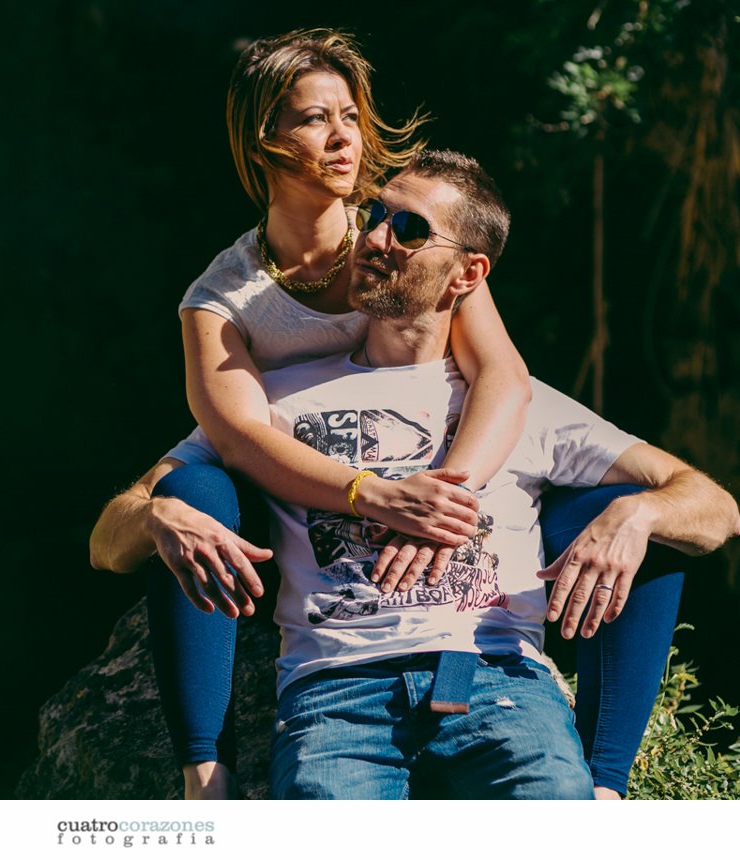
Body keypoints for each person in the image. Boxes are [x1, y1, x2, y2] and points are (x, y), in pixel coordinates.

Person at [94, 28, 680, 800]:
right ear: (262, 139)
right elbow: (238, 438)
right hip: (299, 499)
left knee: (623, 509)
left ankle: (606, 787)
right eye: (311, 119)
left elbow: (504, 375)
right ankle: (206, 773)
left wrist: (445, 495)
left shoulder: (408, 240)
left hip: (453, 513)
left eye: (349, 115)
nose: (342, 138)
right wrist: (375, 495)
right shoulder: (223, 300)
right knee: (184, 499)